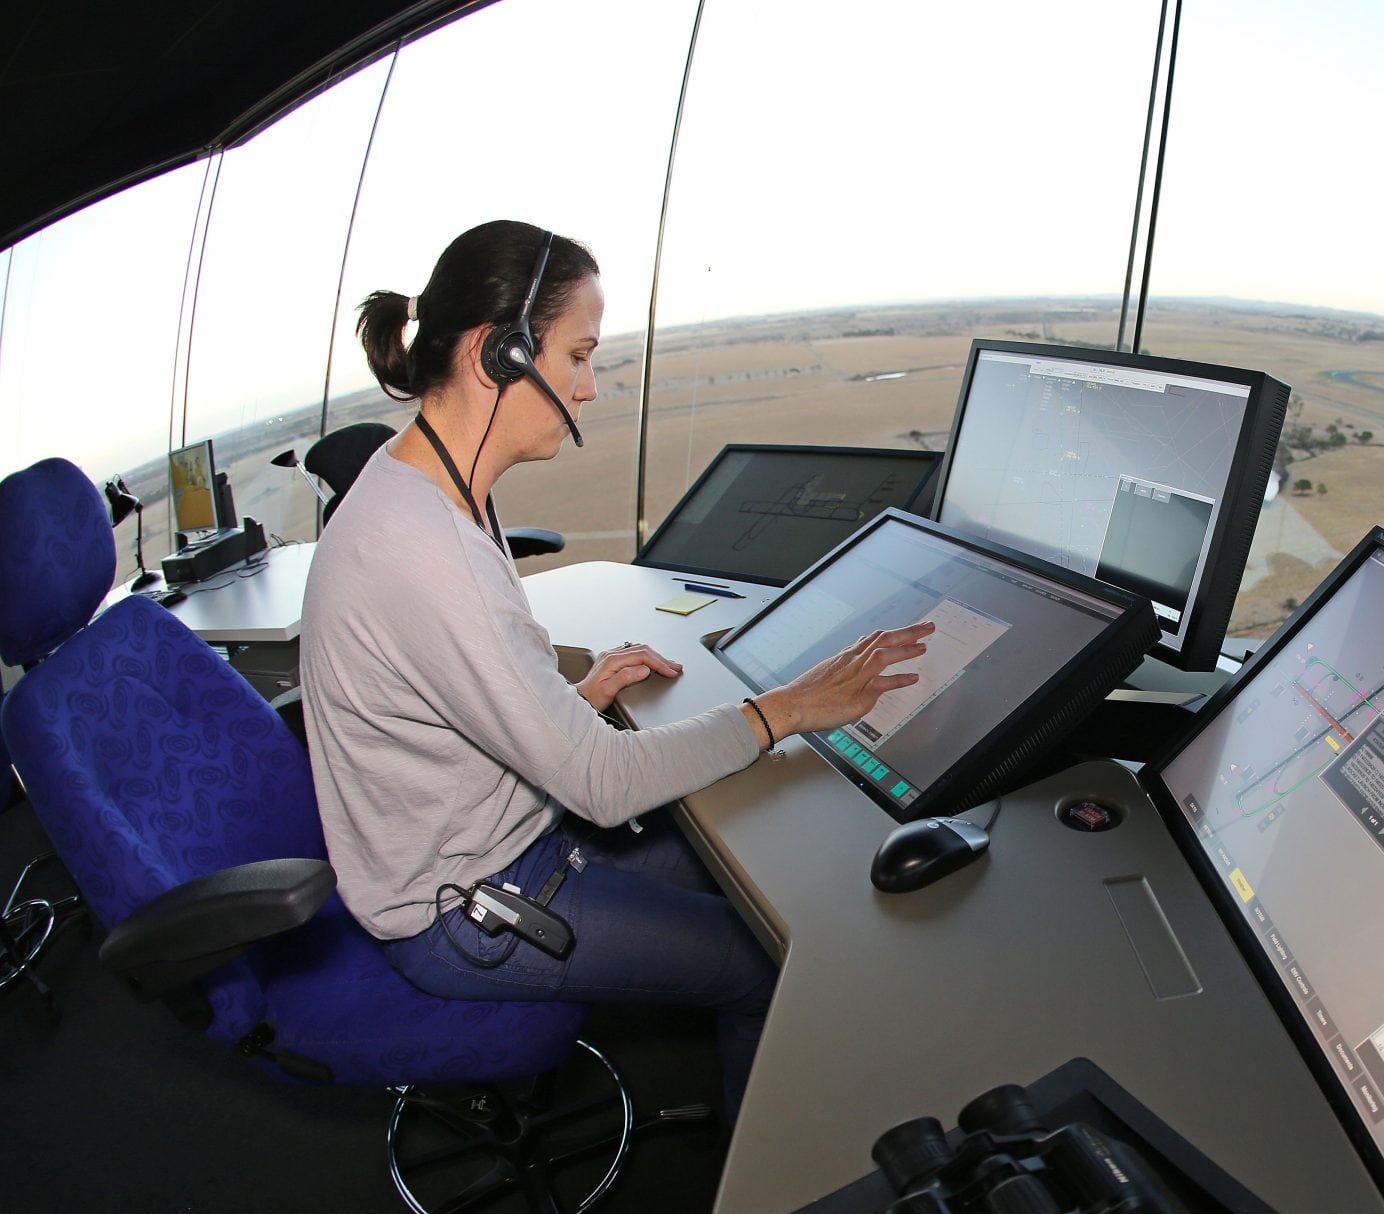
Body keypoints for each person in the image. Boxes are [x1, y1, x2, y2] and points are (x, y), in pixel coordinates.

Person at [299, 220, 933, 1117]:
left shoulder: (424, 487)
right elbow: (600, 784)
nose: (590, 388)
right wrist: (788, 708)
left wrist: (566, 697)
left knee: (750, 867)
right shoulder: (422, 547)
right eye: (577, 356)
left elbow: (456, 696)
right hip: (466, 904)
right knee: (776, 961)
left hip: (503, 835)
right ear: (499, 353)